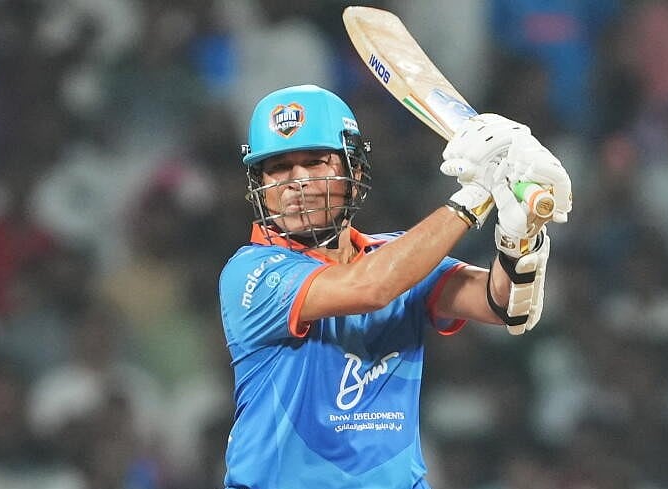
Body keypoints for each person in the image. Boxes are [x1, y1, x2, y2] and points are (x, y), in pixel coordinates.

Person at [218, 84, 571, 489]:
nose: (297, 182)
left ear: (355, 170)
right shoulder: (252, 272)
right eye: (278, 167)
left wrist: (518, 235)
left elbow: (503, 305)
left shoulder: (397, 256)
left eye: (315, 162)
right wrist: (479, 192)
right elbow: (372, 288)